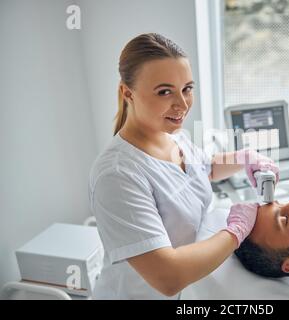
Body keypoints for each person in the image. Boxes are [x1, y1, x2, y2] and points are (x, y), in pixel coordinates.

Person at [89, 33, 278, 299]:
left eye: (187, 88)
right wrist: (236, 231)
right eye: (164, 91)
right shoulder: (118, 175)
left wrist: (245, 157)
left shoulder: (173, 135)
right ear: (127, 92)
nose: (182, 104)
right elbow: (168, 277)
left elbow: (203, 170)